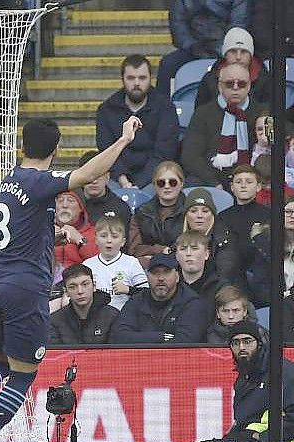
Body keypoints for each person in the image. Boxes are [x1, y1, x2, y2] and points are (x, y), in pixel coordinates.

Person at [0, 115, 141, 442]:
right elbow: (87, 174)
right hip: (24, 289)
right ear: (56, 149)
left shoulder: (10, 179)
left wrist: (57, 236)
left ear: (22, 145)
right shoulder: (39, 181)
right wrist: (123, 140)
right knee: (25, 373)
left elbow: (22, 234)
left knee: (0, 361)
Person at [197, 321, 294, 442]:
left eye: (247, 341)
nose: (241, 347)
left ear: (260, 344)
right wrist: (228, 440)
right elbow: (244, 423)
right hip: (249, 438)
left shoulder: (283, 372)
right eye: (235, 343)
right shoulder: (243, 378)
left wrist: (262, 438)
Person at [95, 54, 178, 191]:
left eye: (142, 78)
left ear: (150, 78)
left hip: (155, 177)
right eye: (131, 78)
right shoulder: (107, 109)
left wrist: (139, 185)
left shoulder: (165, 107)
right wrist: (123, 181)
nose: (137, 83)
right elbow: (106, 149)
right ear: (122, 79)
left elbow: (164, 151)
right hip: (116, 178)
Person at [181, 63, 268, 189]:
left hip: (254, 179)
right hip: (212, 178)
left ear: (249, 86)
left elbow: (279, 143)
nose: (235, 87)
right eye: (229, 84)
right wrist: (214, 183)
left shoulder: (264, 112)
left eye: (241, 84)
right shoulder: (203, 113)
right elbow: (190, 156)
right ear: (220, 86)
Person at [110, 253, 209, 344]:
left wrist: (141, 339)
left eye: (166, 272)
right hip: (140, 360)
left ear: (177, 276)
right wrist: (159, 337)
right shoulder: (137, 300)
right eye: (155, 272)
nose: (161, 278)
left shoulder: (191, 303)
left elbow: (185, 342)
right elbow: (120, 336)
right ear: (147, 277)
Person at [82, 216, 147, 310]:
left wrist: (128, 289)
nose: (109, 241)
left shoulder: (131, 263)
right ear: (96, 240)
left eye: (114, 236)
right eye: (103, 236)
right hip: (95, 317)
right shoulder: (87, 265)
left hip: (123, 317)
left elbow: (146, 292)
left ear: (123, 242)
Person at [50, 264, 119, 344]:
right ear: (66, 292)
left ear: (94, 286)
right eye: (73, 287)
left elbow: (116, 353)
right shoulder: (55, 320)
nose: (80, 291)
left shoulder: (112, 316)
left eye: (85, 284)